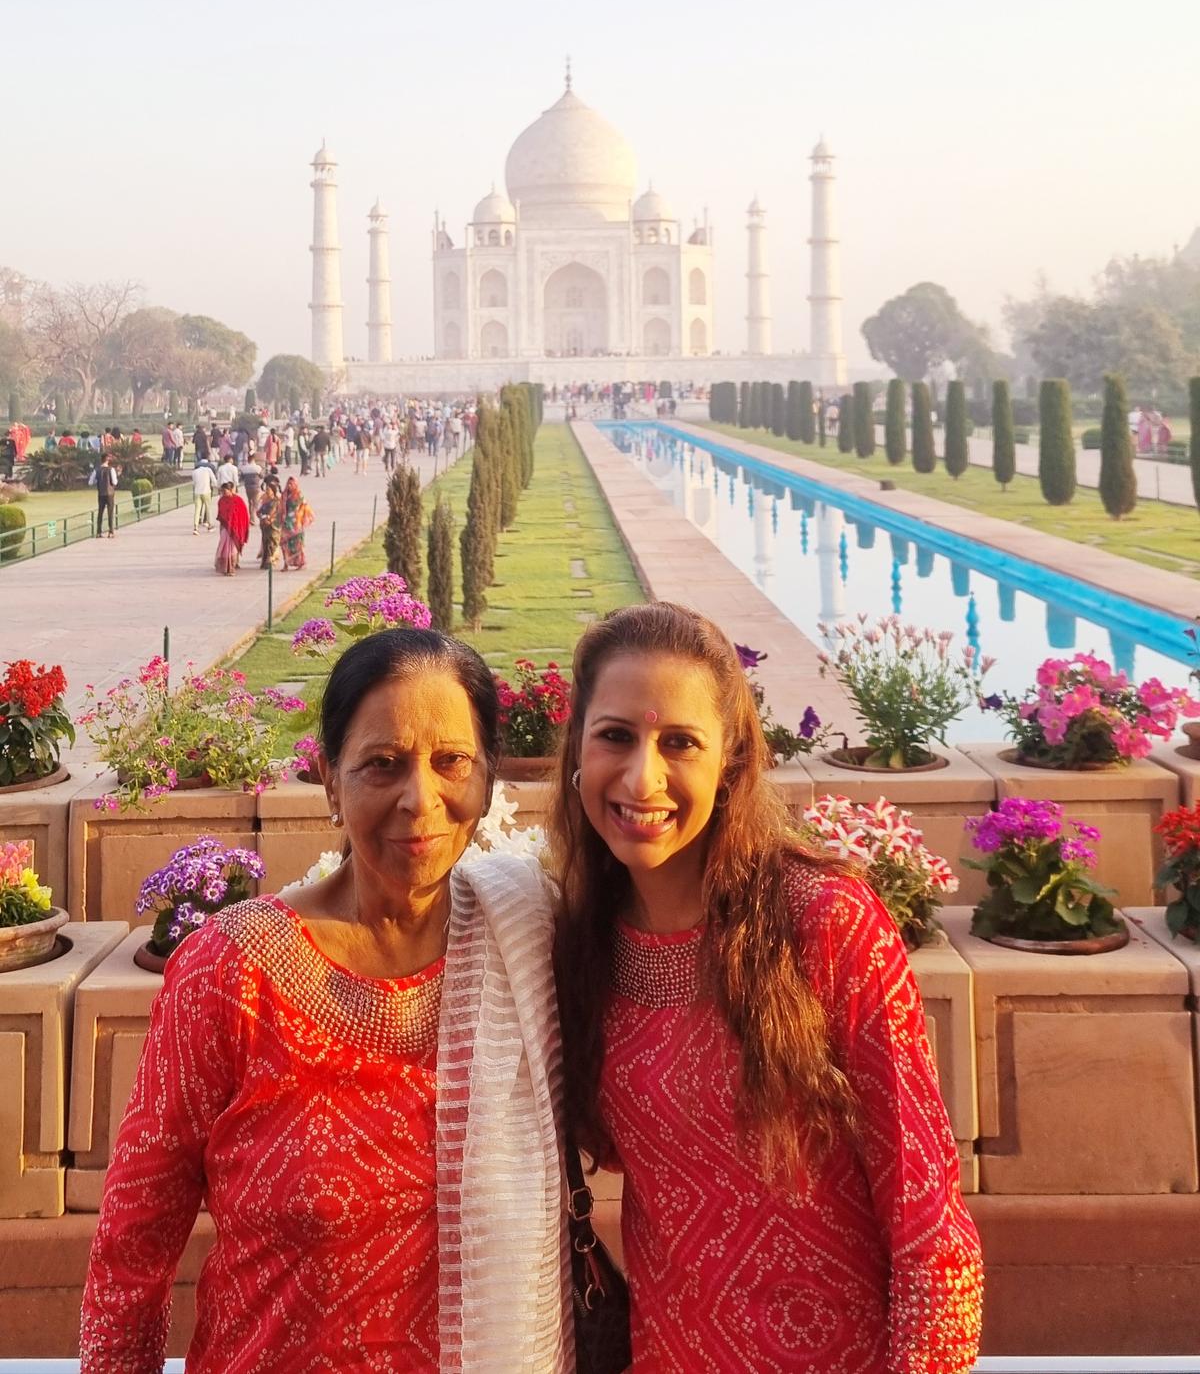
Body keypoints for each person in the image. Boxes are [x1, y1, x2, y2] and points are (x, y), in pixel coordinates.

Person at [79, 627, 571, 1373]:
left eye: (452, 762)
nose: (421, 798)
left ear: (488, 779)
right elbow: (133, 1247)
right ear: (330, 780)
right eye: (383, 763)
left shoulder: (527, 945)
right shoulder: (233, 971)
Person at [551, 601, 984, 1374]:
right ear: (579, 750)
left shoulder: (821, 923)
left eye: (678, 742)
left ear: (732, 767)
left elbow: (929, 1227)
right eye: (616, 734)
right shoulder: (584, 943)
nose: (641, 775)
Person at [214, 482, 250, 576]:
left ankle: (232, 567)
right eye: (222, 491)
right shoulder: (221, 501)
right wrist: (226, 521)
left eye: (225, 491)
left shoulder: (238, 500)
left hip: (236, 528)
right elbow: (221, 513)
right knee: (224, 547)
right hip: (225, 528)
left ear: (230, 490)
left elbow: (243, 514)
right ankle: (225, 567)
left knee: (233, 549)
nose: (224, 493)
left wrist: (235, 523)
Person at [279, 476, 313, 570]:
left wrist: (301, 518)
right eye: (288, 484)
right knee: (284, 544)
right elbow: (280, 507)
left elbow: (304, 507)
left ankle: (300, 562)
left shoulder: (299, 495)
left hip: (296, 524)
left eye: (291, 484)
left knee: (297, 544)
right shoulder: (284, 495)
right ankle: (286, 564)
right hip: (286, 523)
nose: (289, 486)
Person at [255, 474, 282, 570]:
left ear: (273, 491)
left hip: (273, 525)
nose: (267, 491)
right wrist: (262, 517)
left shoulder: (277, 501)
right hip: (264, 525)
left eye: (269, 490)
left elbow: (278, 512)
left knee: (273, 542)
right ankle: (265, 561)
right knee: (265, 542)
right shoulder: (264, 500)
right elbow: (258, 510)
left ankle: (271, 560)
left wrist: (270, 519)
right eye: (266, 489)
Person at [95, 454, 119, 540]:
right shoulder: (111, 469)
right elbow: (115, 482)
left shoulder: (97, 470)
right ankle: (111, 531)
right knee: (110, 512)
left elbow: (91, 481)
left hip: (101, 493)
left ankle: (98, 532)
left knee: (100, 513)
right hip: (110, 494)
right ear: (107, 460)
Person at [192, 457, 217, 534]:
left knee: (197, 510)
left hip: (197, 492)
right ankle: (210, 525)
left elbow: (194, 483)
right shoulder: (208, 470)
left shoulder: (195, 471)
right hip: (206, 491)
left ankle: (195, 527)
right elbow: (214, 481)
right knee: (208, 508)